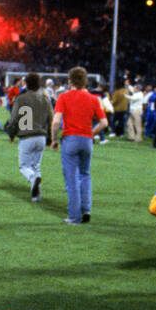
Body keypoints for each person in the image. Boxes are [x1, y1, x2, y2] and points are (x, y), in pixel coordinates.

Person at [50, 66, 107, 224]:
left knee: (71, 179)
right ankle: (86, 210)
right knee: (85, 175)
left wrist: (54, 139)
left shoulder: (64, 97)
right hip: (87, 140)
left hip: (70, 139)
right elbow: (104, 122)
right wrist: (92, 133)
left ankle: (74, 216)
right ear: (85, 81)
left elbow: (56, 122)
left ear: (70, 81)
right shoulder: (94, 99)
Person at [6, 71, 53, 202]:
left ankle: (33, 179)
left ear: (26, 84)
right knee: (36, 166)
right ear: (39, 85)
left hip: (26, 136)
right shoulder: (45, 99)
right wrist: (51, 138)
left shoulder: (21, 99)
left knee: (24, 167)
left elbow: (14, 119)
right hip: (41, 137)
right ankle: (36, 196)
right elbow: (51, 119)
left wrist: (11, 134)